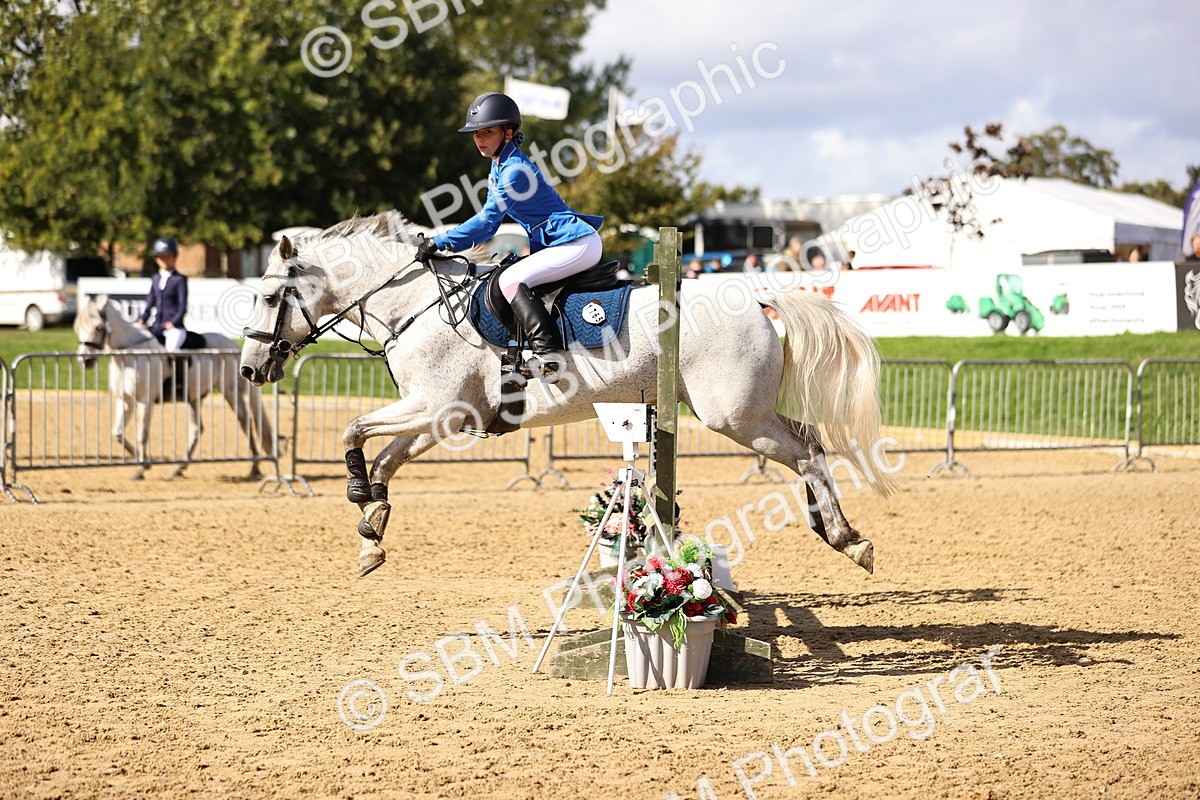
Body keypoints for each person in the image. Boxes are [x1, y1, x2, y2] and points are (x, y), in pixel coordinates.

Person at [417, 92, 603, 383]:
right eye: (476, 133)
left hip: (576, 244)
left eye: (487, 132)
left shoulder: (514, 170)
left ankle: (548, 357)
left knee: (509, 281)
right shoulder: (501, 164)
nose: (479, 139)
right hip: (562, 244)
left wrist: (439, 241)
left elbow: (486, 224)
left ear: (508, 132)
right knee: (504, 273)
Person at [136, 237, 188, 351]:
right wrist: (142, 319)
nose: (165, 260)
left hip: (174, 328)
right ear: (156, 259)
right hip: (157, 326)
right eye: (161, 257)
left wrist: (173, 322)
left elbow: (182, 307)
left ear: (174, 257)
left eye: (168, 257)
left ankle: (176, 369)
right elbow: (150, 303)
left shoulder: (179, 279)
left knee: (171, 349)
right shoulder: (155, 278)